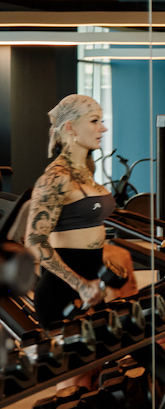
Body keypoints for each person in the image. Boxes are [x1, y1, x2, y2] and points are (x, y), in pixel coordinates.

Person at [25, 95, 115, 327]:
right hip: (62, 291)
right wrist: (80, 284)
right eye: (94, 121)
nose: (103, 128)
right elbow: (34, 240)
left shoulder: (86, 172)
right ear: (70, 127)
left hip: (91, 285)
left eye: (102, 121)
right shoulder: (55, 177)